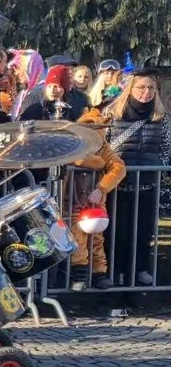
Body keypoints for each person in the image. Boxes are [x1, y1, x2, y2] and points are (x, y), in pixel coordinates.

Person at [102, 70, 167, 287]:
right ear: (131, 89)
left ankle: (139, 268)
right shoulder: (113, 113)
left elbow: (167, 147)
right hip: (118, 183)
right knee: (117, 232)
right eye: (141, 87)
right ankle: (116, 271)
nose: (146, 92)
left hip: (148, 181)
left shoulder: (162, 117)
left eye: (151, 88)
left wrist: (157, 165)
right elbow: (103, 146)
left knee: (143, 230)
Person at [67, 109, 126, 291]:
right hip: (71, 201)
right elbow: (81, 161)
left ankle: (99, 273)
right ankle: (80, 276)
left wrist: (102, 188)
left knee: (97, 239)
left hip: (95, 205)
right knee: (76, 239)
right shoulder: (71, 146)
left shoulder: (103, 148)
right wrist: (93, 162)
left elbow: (118, 168)